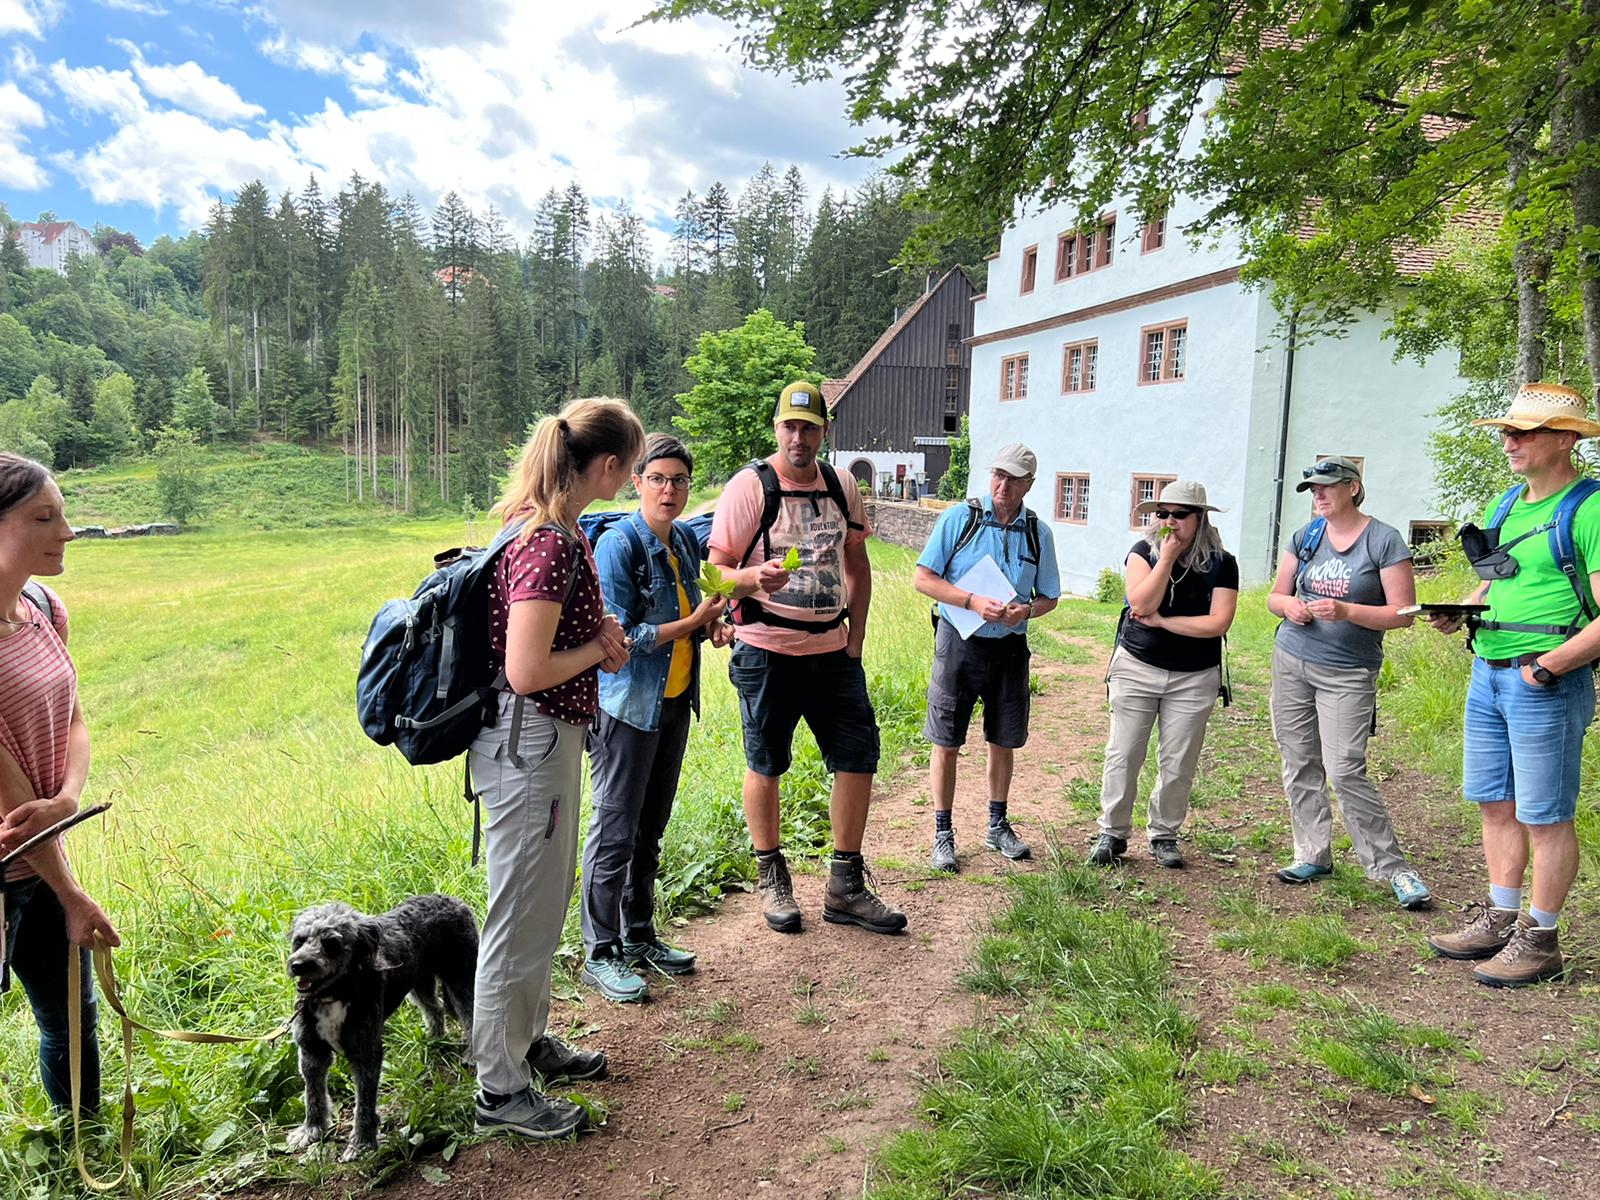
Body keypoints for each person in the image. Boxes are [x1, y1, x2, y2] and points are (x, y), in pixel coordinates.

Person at [471, 398, 642, 1140]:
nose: (632, 479)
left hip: (542, 739)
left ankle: (528, 1040)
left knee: (542, 903)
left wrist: (595, 634)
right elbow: (527, 667)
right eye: (631, 468)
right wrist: (600, 650)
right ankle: (499, 1088)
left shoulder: (551, 528)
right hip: (528, 741)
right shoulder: (549, 542)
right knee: (518, 913)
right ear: (606, 466)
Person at [707, 381, 906, 936]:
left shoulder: (842, 485)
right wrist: (752, 578)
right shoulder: (750, 487)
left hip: (833, 651)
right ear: (777, 429)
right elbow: (714, 570)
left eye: (809, 427)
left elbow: (858, 565)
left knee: (858, 757)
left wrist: (857, 638)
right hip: (766, 652)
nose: (799, 437)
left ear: (823, 431)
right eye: (790, 426)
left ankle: (845, 887)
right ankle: (774, 878)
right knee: (765, 763)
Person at [1426, 382, 1600, 986]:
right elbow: (1495, 584)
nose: (1509, 441)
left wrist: (1551, 666)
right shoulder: (1506, 505)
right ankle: (1501, 918)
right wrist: (1462, 610)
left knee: (1545, 814)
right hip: (1489, 675)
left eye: (1523, 432)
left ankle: (1542, 937)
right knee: (1496, 804)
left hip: (1544, 682)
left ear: (1564, 438)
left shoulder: (1592, 507)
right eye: (1507, 431)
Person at [579, 434, 727, 1003]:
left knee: (650, 827)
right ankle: (600, 950)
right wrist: (695, 625)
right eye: (659, 479)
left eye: (680, 480)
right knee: (615, 830)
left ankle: (639, 934)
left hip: (673, 701)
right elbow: (624, 636)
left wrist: (713, 626)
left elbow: (691, 608)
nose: (670, 490)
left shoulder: (685, 538)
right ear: (637, 481)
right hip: (626, 709)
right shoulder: (620, 544)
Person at [0, 453, 120, 1116]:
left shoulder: (44, 606)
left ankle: (85, 1153)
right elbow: (14, 804)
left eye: (64, 513)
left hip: (42, 857)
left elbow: (74, 714)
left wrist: (71, 798)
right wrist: (73, 897)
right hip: (19, 869)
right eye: (44, 517)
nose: (68, 531)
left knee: (69, 1024)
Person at [1264, 455, 1431, 909]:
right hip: (1293, 659)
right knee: (1299, 760)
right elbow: (1276, 596)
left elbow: (1403, 615)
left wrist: (1346, 611)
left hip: (1348, 671)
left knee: (1344, 769)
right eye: (1313, 490)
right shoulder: (1307, 536)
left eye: (1326, 487)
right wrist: (1289, 607)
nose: (1317, 496)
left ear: (1353, 488)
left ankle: (1393, 869)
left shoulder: (1384, 539)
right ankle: (1312, 853)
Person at [913, 444, 1060, 871]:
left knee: (1004, 737)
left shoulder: (1038, 532)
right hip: (959, 640)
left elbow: (1049, 596)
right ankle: (943, 833)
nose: (1003, 484)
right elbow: (923, 578)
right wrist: (971, 600)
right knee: (946, 739)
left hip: (1010, 646)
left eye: (1014, 479)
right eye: (998, 474)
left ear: (1029, 485)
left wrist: (1027, 610)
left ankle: (997, 825)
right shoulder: (961, 519)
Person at [1088, 480, 1238, 869]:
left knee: (1179, 760)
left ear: (1200, 518)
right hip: (1137, 667)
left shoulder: (1223, 562)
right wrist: (1167, 559)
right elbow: (1140, 603)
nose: (1169, 522)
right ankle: (1112, 832)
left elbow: (1218, 622)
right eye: (1162, 514)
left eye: (1179, 515)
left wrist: (1165, 623)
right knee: (1124, 753)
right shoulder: (1143, 551)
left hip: (1194, 675)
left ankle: (1164, 834)